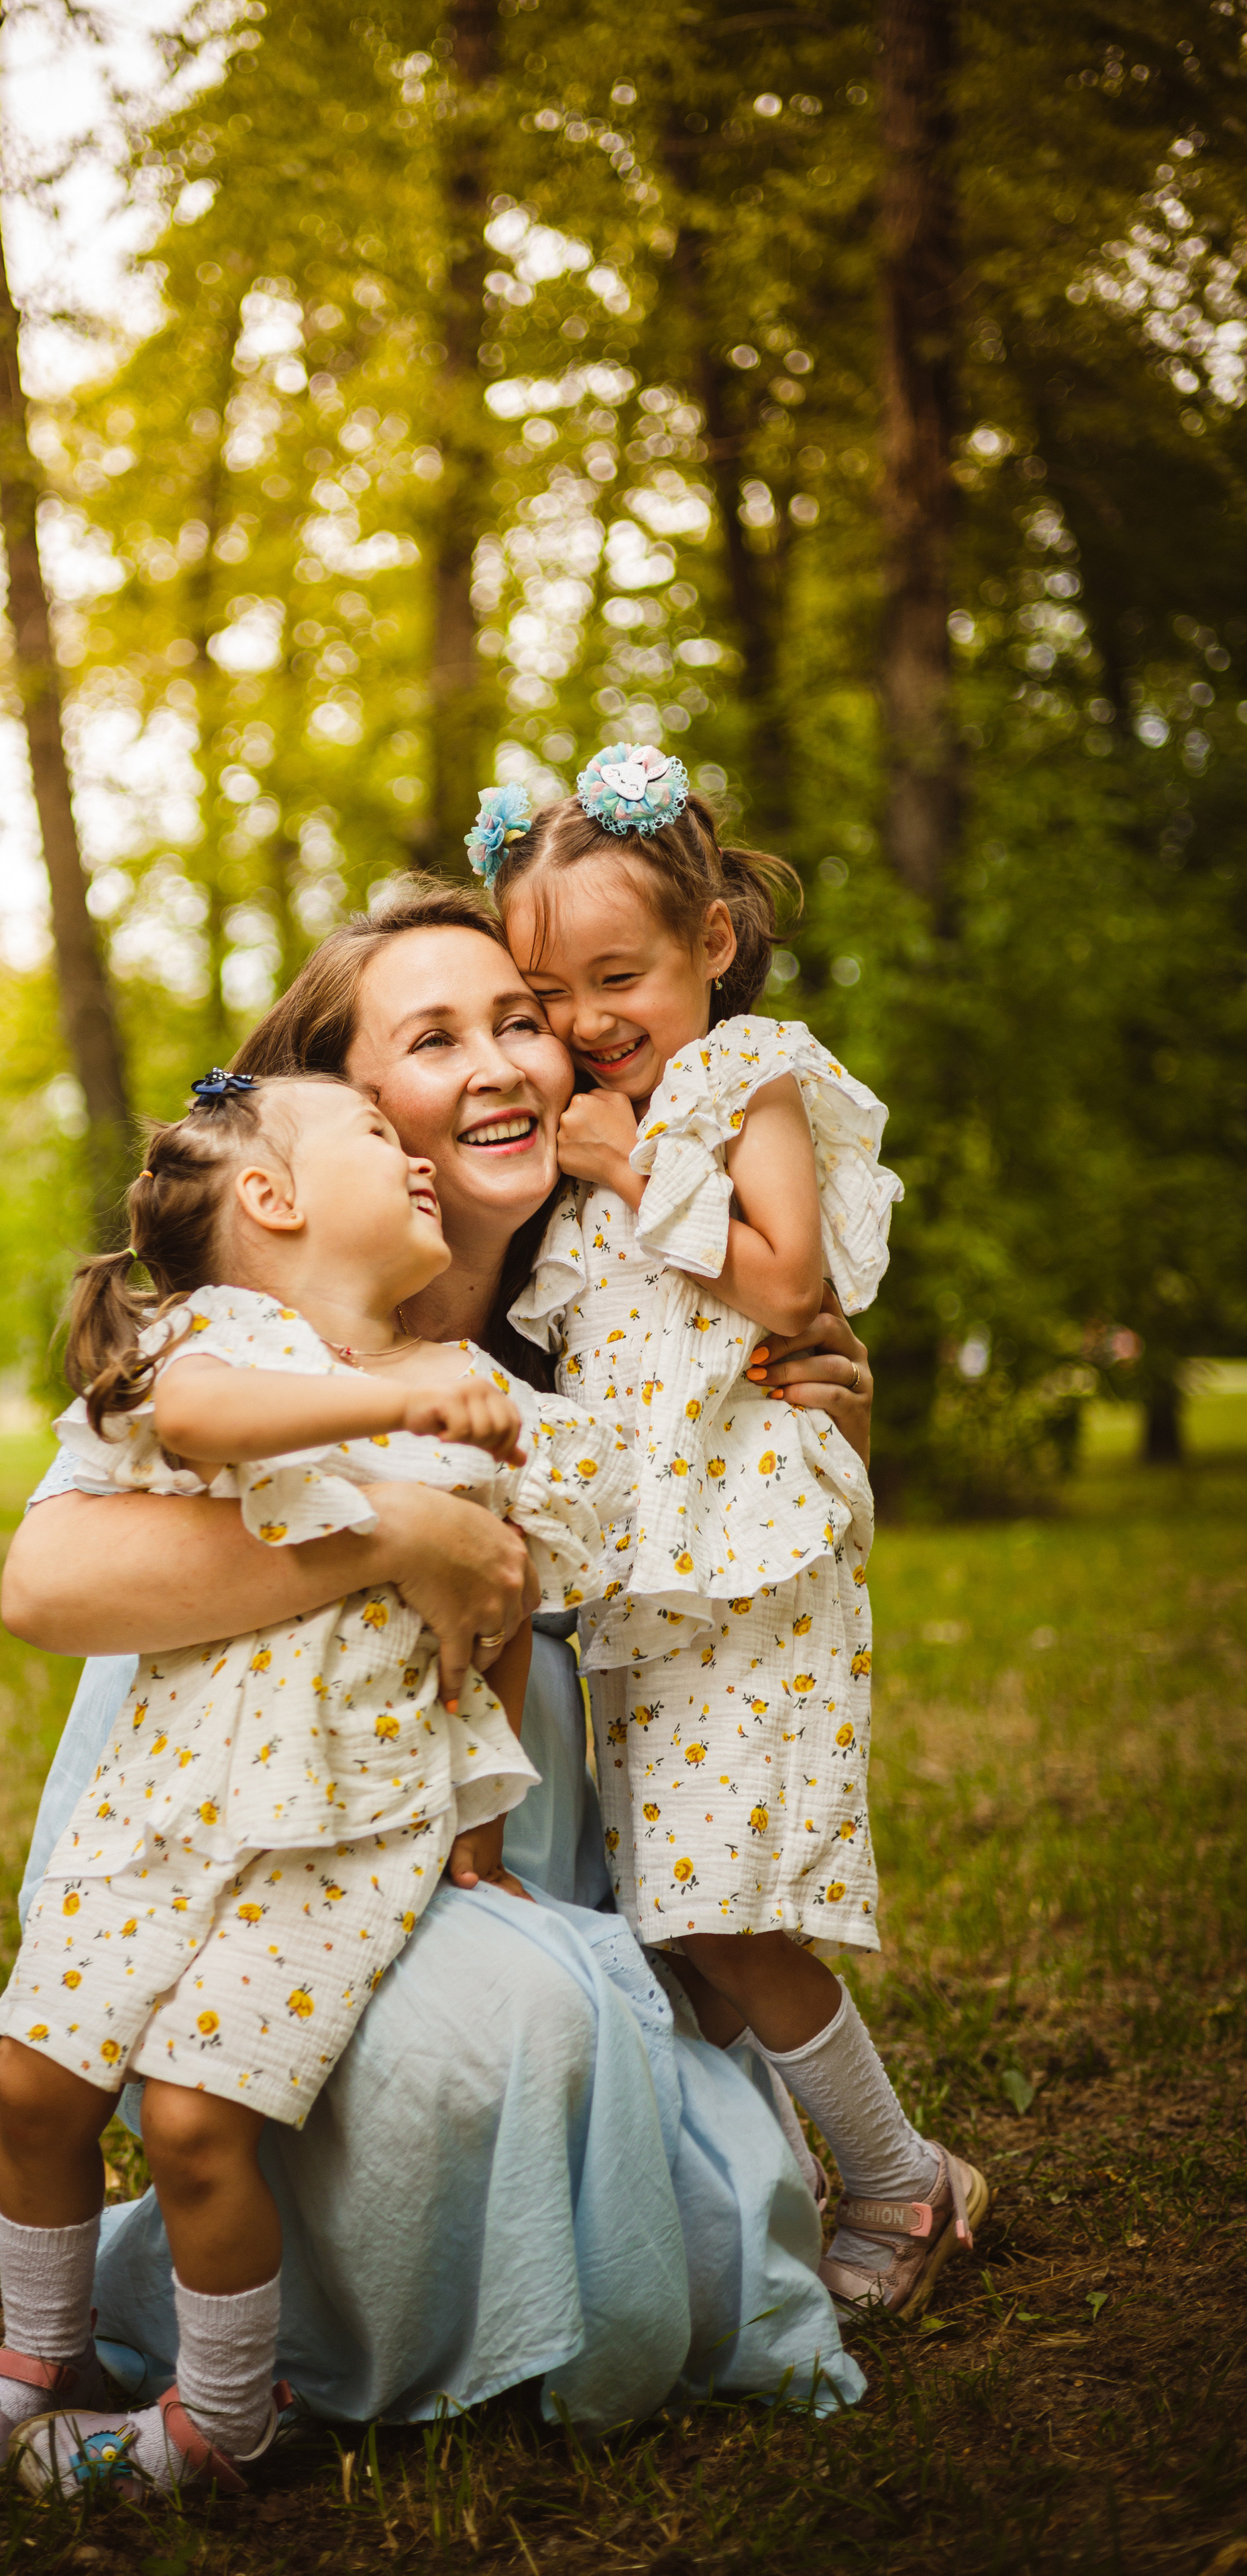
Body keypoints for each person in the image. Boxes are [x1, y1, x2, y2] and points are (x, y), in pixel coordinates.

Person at [0, 883, 876, 2468]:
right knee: (372, 2073)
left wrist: (823, 1435)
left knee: (557, 2068)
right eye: (435, 1038)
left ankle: (267, 2383)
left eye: (521, 1021)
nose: (507, 1061)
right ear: (338, 1115)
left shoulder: (623, 1318)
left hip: (488, 1843)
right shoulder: (232, 1336)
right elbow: (45, 1581)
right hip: (229, 1825)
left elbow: (731, 1605)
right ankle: (178, 2367)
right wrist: (396, 1529)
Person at [0, 1068, 618, 2502]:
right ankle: (34, 2356)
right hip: (159, 1807)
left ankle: (220, 2417)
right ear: (270, 1199)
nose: (414, 1157)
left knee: (193, 2120)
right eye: (376, 1135)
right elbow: (198, 1423)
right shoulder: (225, 1337)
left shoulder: (472, 1393)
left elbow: (491, 1613)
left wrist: (482, 1806)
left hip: (342, 1840)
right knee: (32, 2079)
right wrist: (384, 1394)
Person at [482, 745, 989, 2318]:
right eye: (544, 990)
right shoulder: (588, 1128)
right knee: (681, 1910)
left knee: (723, 1902)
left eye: (615, 973)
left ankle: (904, 2187)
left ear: (710, 942)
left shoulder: (733, 1079)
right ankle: (758, 2187)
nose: (580, 1022)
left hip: (753, 1557)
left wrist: (630, 1163)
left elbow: (787, 1285)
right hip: (654, 1574)